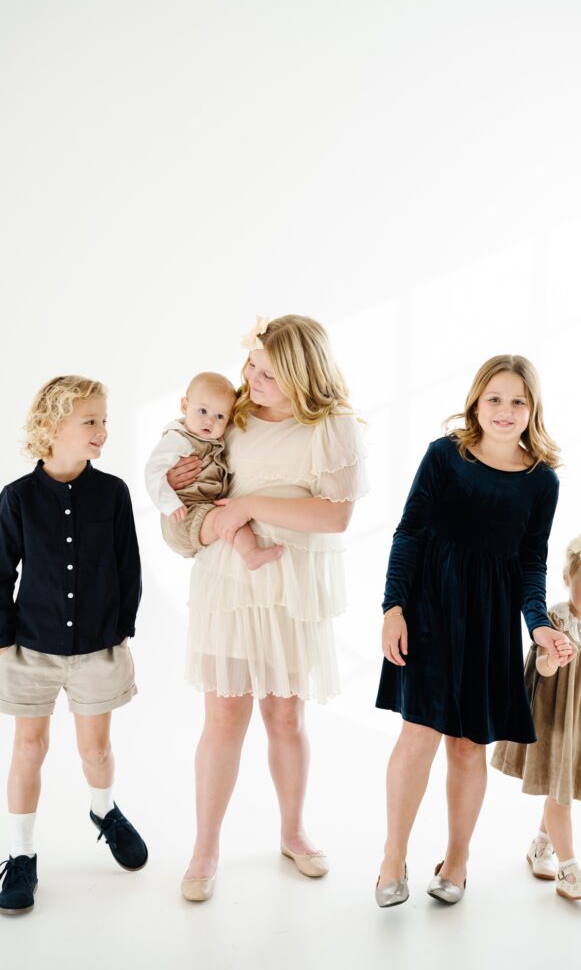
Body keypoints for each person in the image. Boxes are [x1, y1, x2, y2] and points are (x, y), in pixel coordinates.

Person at [167, 315, 367, 901]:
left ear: (305, 376)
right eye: (252, 367)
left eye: (271, 375)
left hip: (291, 582)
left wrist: (251, 503)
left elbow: (335, 516)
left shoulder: (333, 427)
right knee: (224, 718)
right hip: (229, 583)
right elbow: (191, 470)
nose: (254, 380)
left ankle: (293, 830)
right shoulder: (235, 415)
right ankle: (206, 846)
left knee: (285, 715)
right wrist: (181, 479)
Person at [374, 354, 574, 908]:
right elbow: (409, 532)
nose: (505, 411)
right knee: (417, 736)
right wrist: (394, 607)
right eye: (495, 399)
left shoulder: (542, 483)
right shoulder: (444, 458)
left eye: (517, 401)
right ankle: (393, 856)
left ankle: (457, 858)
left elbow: (531, 565)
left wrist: (537, 626)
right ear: (476, 402)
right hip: (429, 614)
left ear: (532, 409)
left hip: (488, 626)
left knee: (468, 748)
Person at [0, 376, 147, 916]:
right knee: (29, 749)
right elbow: (0, 572)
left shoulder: (112, 492)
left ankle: (104, 811)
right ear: (52, 426)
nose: (103, 431)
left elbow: (129, 565)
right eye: (91, 421)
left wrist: (120, 626)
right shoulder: (16, 497)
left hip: (97, 649)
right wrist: (1, 644)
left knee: (96, 751)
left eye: (105, 420)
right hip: (30, 648)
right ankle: (20, 856)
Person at [491, 531, 581, 900]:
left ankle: (540, 846)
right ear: (568, 579)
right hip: (557, 719)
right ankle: (569, 869)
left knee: (562, 787)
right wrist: (553, 658)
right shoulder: (555, 621)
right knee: (561, 793)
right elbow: (542, 669)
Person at [144, 370, 282, 569]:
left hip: (203, 510)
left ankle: (251, 553)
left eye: (219, 416)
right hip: (183, 515)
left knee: (231, 516)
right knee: (228, 517)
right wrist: (170, 504)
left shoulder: (215, 438)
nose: (209, 421)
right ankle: (251, 553)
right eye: (202, 411)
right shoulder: (178, 439)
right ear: (185, 406)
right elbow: (153, 471)